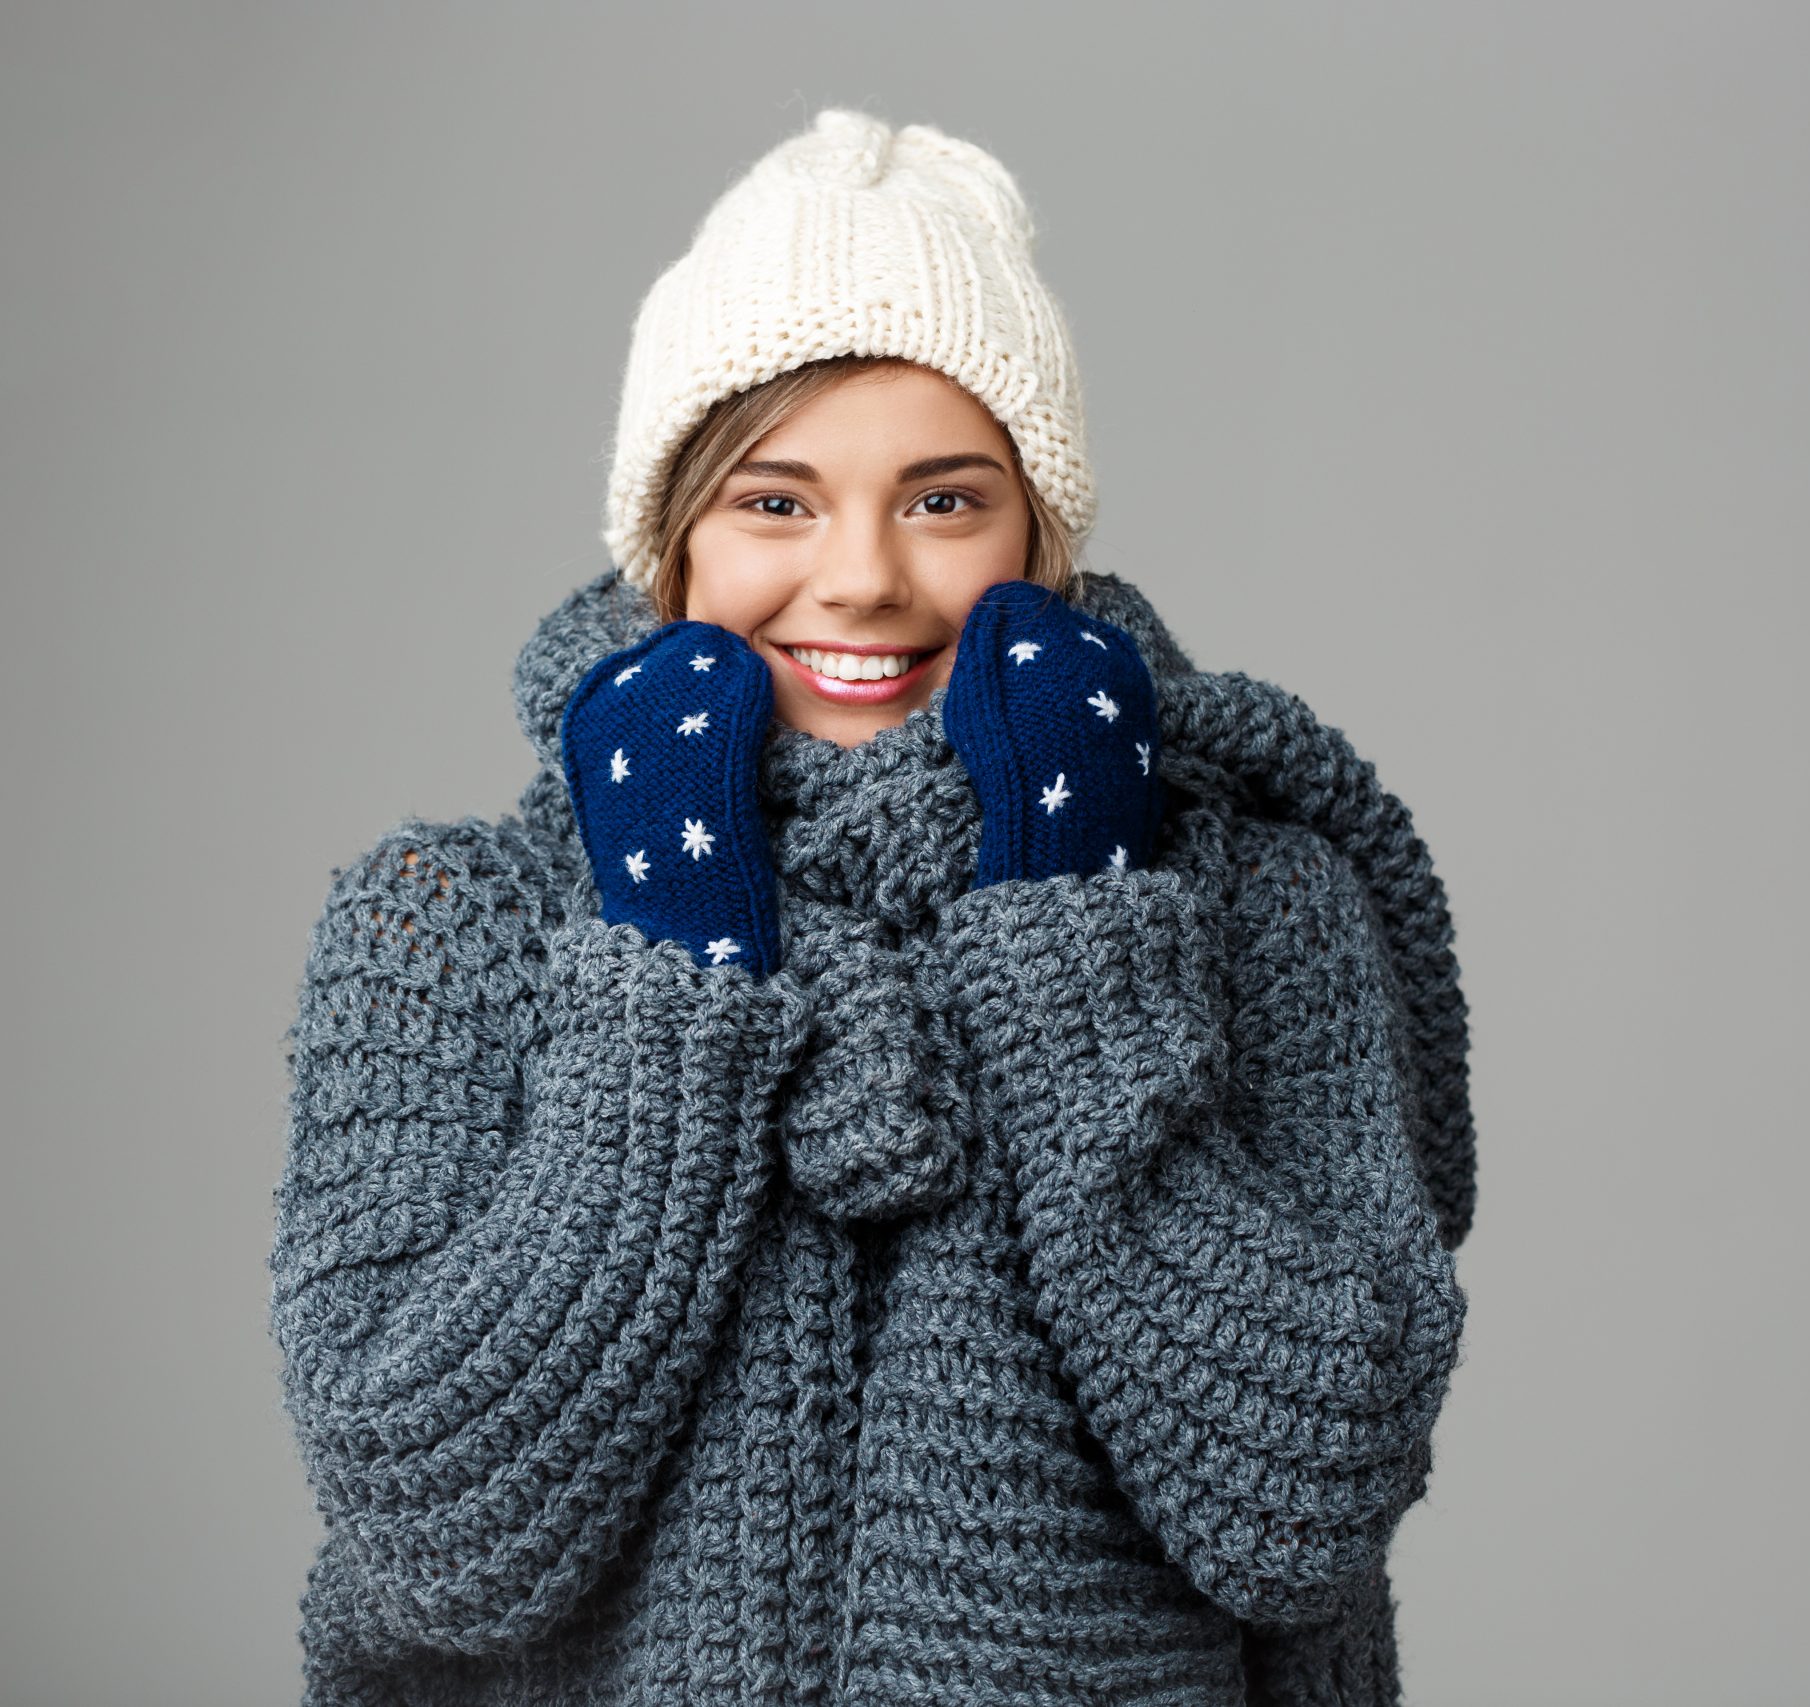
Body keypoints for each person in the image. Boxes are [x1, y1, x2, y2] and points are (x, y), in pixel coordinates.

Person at [266, 107, 1476, 1707]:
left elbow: (1299, 1509)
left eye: (943, 501)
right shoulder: (453, 927)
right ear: (669, 538)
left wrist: (1080, 921)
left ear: (1042, 530)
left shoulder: (1253, 905)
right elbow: (438, 1531)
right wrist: (670, 962)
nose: (860, 579)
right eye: (775, 502)